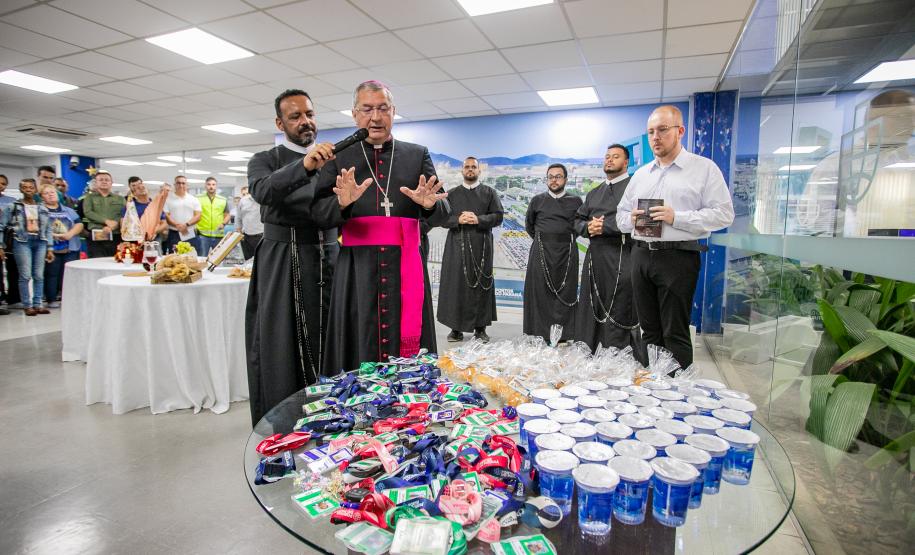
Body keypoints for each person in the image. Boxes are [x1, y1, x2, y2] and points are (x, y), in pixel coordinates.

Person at [313, 80, 449, 375]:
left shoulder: (417, 154)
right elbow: (318, 215)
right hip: (357, 270)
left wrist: (429, 205)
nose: (375, 117)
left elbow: (443, 211)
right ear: (354, 114)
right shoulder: (339, 157)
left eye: (383, 108)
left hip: (405, 266)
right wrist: (341, 205)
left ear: (393, 111)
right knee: (359, 338)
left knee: (408, 345)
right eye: (367, 109)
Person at [245, 88, 340, 426]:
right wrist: (304, 165)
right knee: (282, 343)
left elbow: (331, 210)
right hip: (283, 260)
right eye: (296, 116)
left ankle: (335, 415)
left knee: (333, 334)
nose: (305, 122)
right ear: (279, 122)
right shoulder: (264, 160)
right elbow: (264, 192)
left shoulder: (335, 160)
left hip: (330, 256)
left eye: (310, 114)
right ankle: (285, 421)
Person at [617, 105, 735, 368]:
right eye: (650, 132)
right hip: (640, 255)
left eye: (662, 130)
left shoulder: (704, 169)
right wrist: (631, 220)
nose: (655, 137)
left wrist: (676, 217)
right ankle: (653, 389)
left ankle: (677, 394)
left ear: (680, 131)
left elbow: (724, 214)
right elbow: (621, 217)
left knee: (675, 331)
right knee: (649, 330)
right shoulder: (641, 175)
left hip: (678, 256)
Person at [574, 145, 639, 353]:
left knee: (620, 306)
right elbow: (577, 220)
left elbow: (642, 221)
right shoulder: (595, 192)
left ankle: (618, 355)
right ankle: (589, 351)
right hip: (595, 257)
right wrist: (588, 227)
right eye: (607, 157)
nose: (609, 160)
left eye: (615, 157)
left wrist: (605, 226)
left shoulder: (635, 188)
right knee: (590, 306)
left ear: (626, 162)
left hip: (623, 255)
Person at [436, 156, 502, 343]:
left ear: (479, 171)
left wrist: (478, 219)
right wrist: (458, 219)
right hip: (457, 247)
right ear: (462, 170)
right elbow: (442, 219)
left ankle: (480, 329)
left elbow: (498, 217)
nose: (470, 170)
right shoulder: (452, 194)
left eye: (474, 167)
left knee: (481, 286)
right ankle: (455, 329)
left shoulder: (490, 193)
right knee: (456, 286)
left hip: (482, 245)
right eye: (467, 167)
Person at [523, 163, 583, 343]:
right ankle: (539, 332)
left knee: (565, 293)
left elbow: (580, 226)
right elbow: (529, 225)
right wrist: (546, 240)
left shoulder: (576, 201)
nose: (554, 180)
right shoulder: (537, 200)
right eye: (551, 177)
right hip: (541, 252)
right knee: (539, 292)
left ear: (565, 179)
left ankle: (563, 335)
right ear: (546, 179)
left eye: (558, 176)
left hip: (567, 252)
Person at [0, 179, 54, 316]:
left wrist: (50, 247)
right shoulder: (12, 207)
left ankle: (38, 304)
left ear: (35, 190)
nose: (28, 189)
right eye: (25, 187)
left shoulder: (42, 208)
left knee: (39, 275)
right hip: (22, 241)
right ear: (21, 189)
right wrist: (1, 246)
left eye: (31, 187)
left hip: (40, 241)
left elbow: (48, 229)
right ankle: (27, 304)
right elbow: (1, 226)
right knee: (25, 275)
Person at [40, 183, 82, 308]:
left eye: (52, 192)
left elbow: (79, 224)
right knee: (52, 274)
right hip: (51, 248)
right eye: (46, 193)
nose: (50, 195)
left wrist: (70, 234)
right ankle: (51, 299)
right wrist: (52, 235)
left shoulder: (68, 210)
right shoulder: (40, 211)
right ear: (42, 197)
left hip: (70, 247)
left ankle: (68, 298)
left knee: (69, 275)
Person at [81, 170, 124, 258]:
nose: (104, 181)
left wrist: (113, 225)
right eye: (101, 180)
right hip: (96, 235)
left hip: (115, 235)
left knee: (115, 261)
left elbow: (123, 214)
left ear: (111, 183)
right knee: (96, 262)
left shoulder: (120, 199)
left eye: (107, 180)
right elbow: (88, 212)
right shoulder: (89, 198)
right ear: (96, 183)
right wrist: (106, 221)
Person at [164, 175, 202, 254]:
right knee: (174, 258)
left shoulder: (193, 199)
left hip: (190, 233)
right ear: (174, 185)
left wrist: (186, 225)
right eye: (178, 183)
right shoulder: (168, 199)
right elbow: (167, 216)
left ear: (187, 185)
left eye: (183, 183)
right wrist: (177, 225)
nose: (181, 185)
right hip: (174, 234)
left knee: (192, 257)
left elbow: (198, 216)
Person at [197, 177, 230, 254]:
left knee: (218, 259)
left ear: (216, 186)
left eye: (213, 184)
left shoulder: (223, 200)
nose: (211, 186)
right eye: (209, 184)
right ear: (205, 186)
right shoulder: (198, 198)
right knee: (202, 258)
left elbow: (227, 214)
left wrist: (223, 223)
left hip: (218, 234)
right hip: (202, 235)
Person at [0, 174, 15, 314]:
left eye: (3, 183)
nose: (1, 185)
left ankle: (6, 299)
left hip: (8, 241)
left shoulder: (11, 201)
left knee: (6, 272)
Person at [235, 188, 263, 260]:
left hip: (262, 237)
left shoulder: (264, 200)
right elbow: (238, 217)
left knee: (261, 260)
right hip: (246, 237)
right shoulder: (243, 200)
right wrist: (239, 232)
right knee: (248, 261)